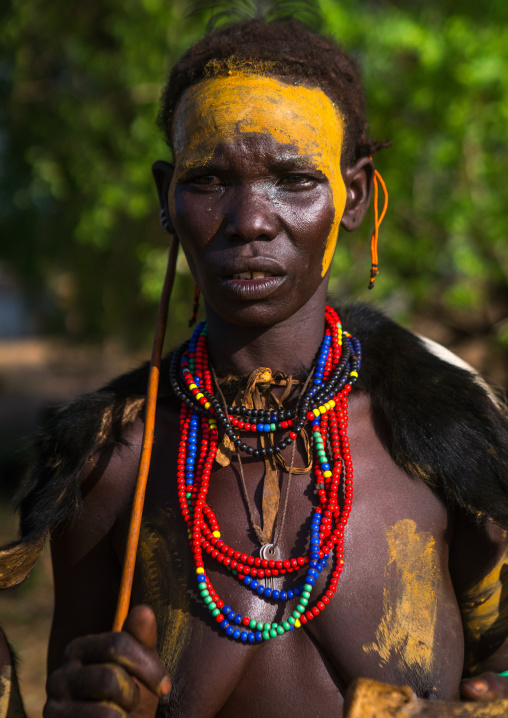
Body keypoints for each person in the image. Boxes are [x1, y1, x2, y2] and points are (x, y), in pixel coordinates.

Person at [2, 17, 508, 718]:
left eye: (295, 179)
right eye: (209, 180)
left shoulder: (443, 436)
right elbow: (78, 688)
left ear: (354, 196)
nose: (250, 220)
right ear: (164, 197)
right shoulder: (112, 466)